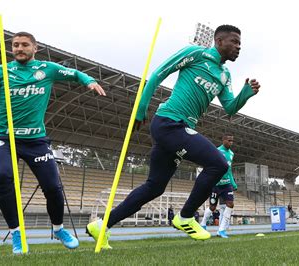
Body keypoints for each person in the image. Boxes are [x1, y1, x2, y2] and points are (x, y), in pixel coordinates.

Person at [86, 25, 260, 249]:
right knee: (218, 163)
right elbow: (160, 72)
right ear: (218, 41)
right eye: (234, 42)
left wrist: (245, 94)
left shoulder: (225, 76)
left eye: (239, 43)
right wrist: (141, 108)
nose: (238, 47)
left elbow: (230, 107)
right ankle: (185, 217)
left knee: (155, 187)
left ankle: (102, 225)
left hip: (178, 129)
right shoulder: (196, 53)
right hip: (169, 123)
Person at [0, 32, 106, 254]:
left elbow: (75, 74)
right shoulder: (1, 71)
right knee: (2, 177)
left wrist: (90, 81)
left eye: (24, 45)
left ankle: (58, 229)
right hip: (5, 137)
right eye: (15, 45)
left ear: (35, 48)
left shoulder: (47, 69)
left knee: (53, 188)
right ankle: (17, 233)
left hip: (35, 140)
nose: (19, 48)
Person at [200, 134, 237, 238]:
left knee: (230, 204)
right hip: (215, 184)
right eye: (229, 140)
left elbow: (229, 169)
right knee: (212, 207)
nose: (231, 143)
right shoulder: (216, 151)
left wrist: (233, 182)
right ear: (223, 140)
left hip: (227, 184)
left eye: (232, 141)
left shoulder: (231, 154)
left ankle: (221, 230)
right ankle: (203, 224)